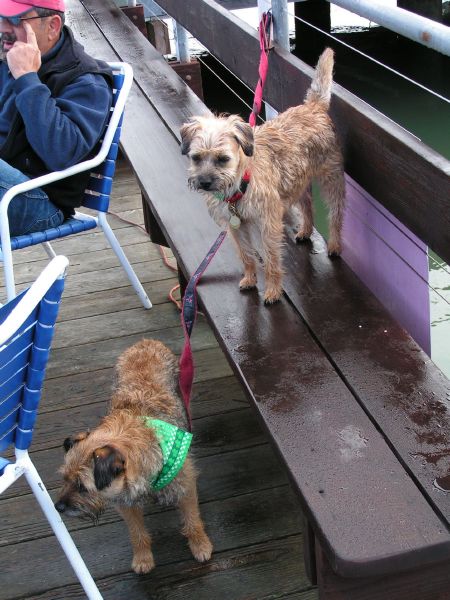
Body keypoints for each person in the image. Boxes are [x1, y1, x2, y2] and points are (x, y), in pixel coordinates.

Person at [0, 0, 113, 236]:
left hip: (39, 199)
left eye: (14, 20)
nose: (3, 28)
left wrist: (27, 79)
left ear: (52, 26)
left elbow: (62, 154)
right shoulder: (6, 58)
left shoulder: (86, 79)